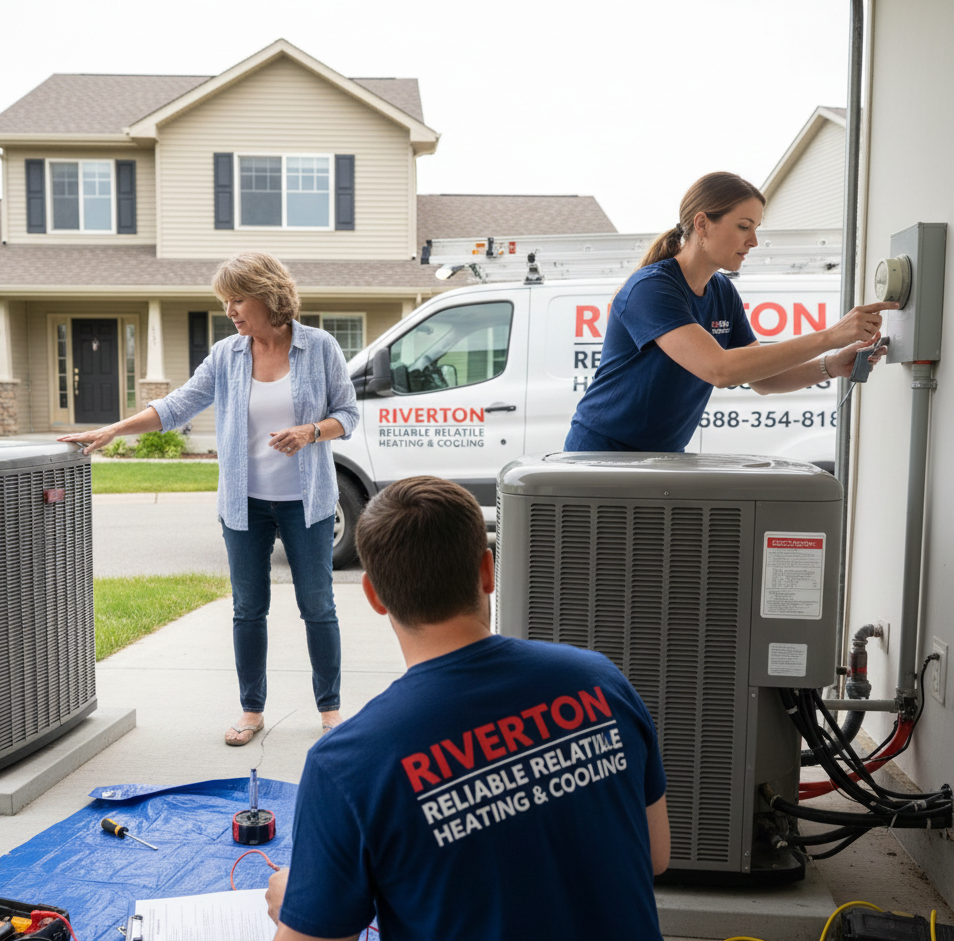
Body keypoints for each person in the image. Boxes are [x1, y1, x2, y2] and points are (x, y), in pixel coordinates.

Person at [264, 476, 670, 941]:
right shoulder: (600, 681)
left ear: (374, 595)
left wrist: (298, 903)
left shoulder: (348, 763)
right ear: (487, 571)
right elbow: (656, 854)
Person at [58, 251, 359, 744]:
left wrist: (310, 431)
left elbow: (347, 414)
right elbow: (178, 405)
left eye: (237, 299)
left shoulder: (319, 347)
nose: (231, 311)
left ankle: (330, 711)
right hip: (244, 505)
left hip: (307, 501)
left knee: (318, 606)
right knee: (248, 608)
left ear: (268, 295)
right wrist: (117, 429)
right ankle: (251, 711)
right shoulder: (227, 355)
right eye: (226, 302)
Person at [565, 171, 898, 453]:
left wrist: (830, 365)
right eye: (743, 226)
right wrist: (829, 337)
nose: (754, 240)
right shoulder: (651, 288)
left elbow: (763, 380)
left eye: (756, 228)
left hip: (662, 457)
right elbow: (720, 370)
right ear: (703, 224)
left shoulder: (723, 292)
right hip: (600, 454)